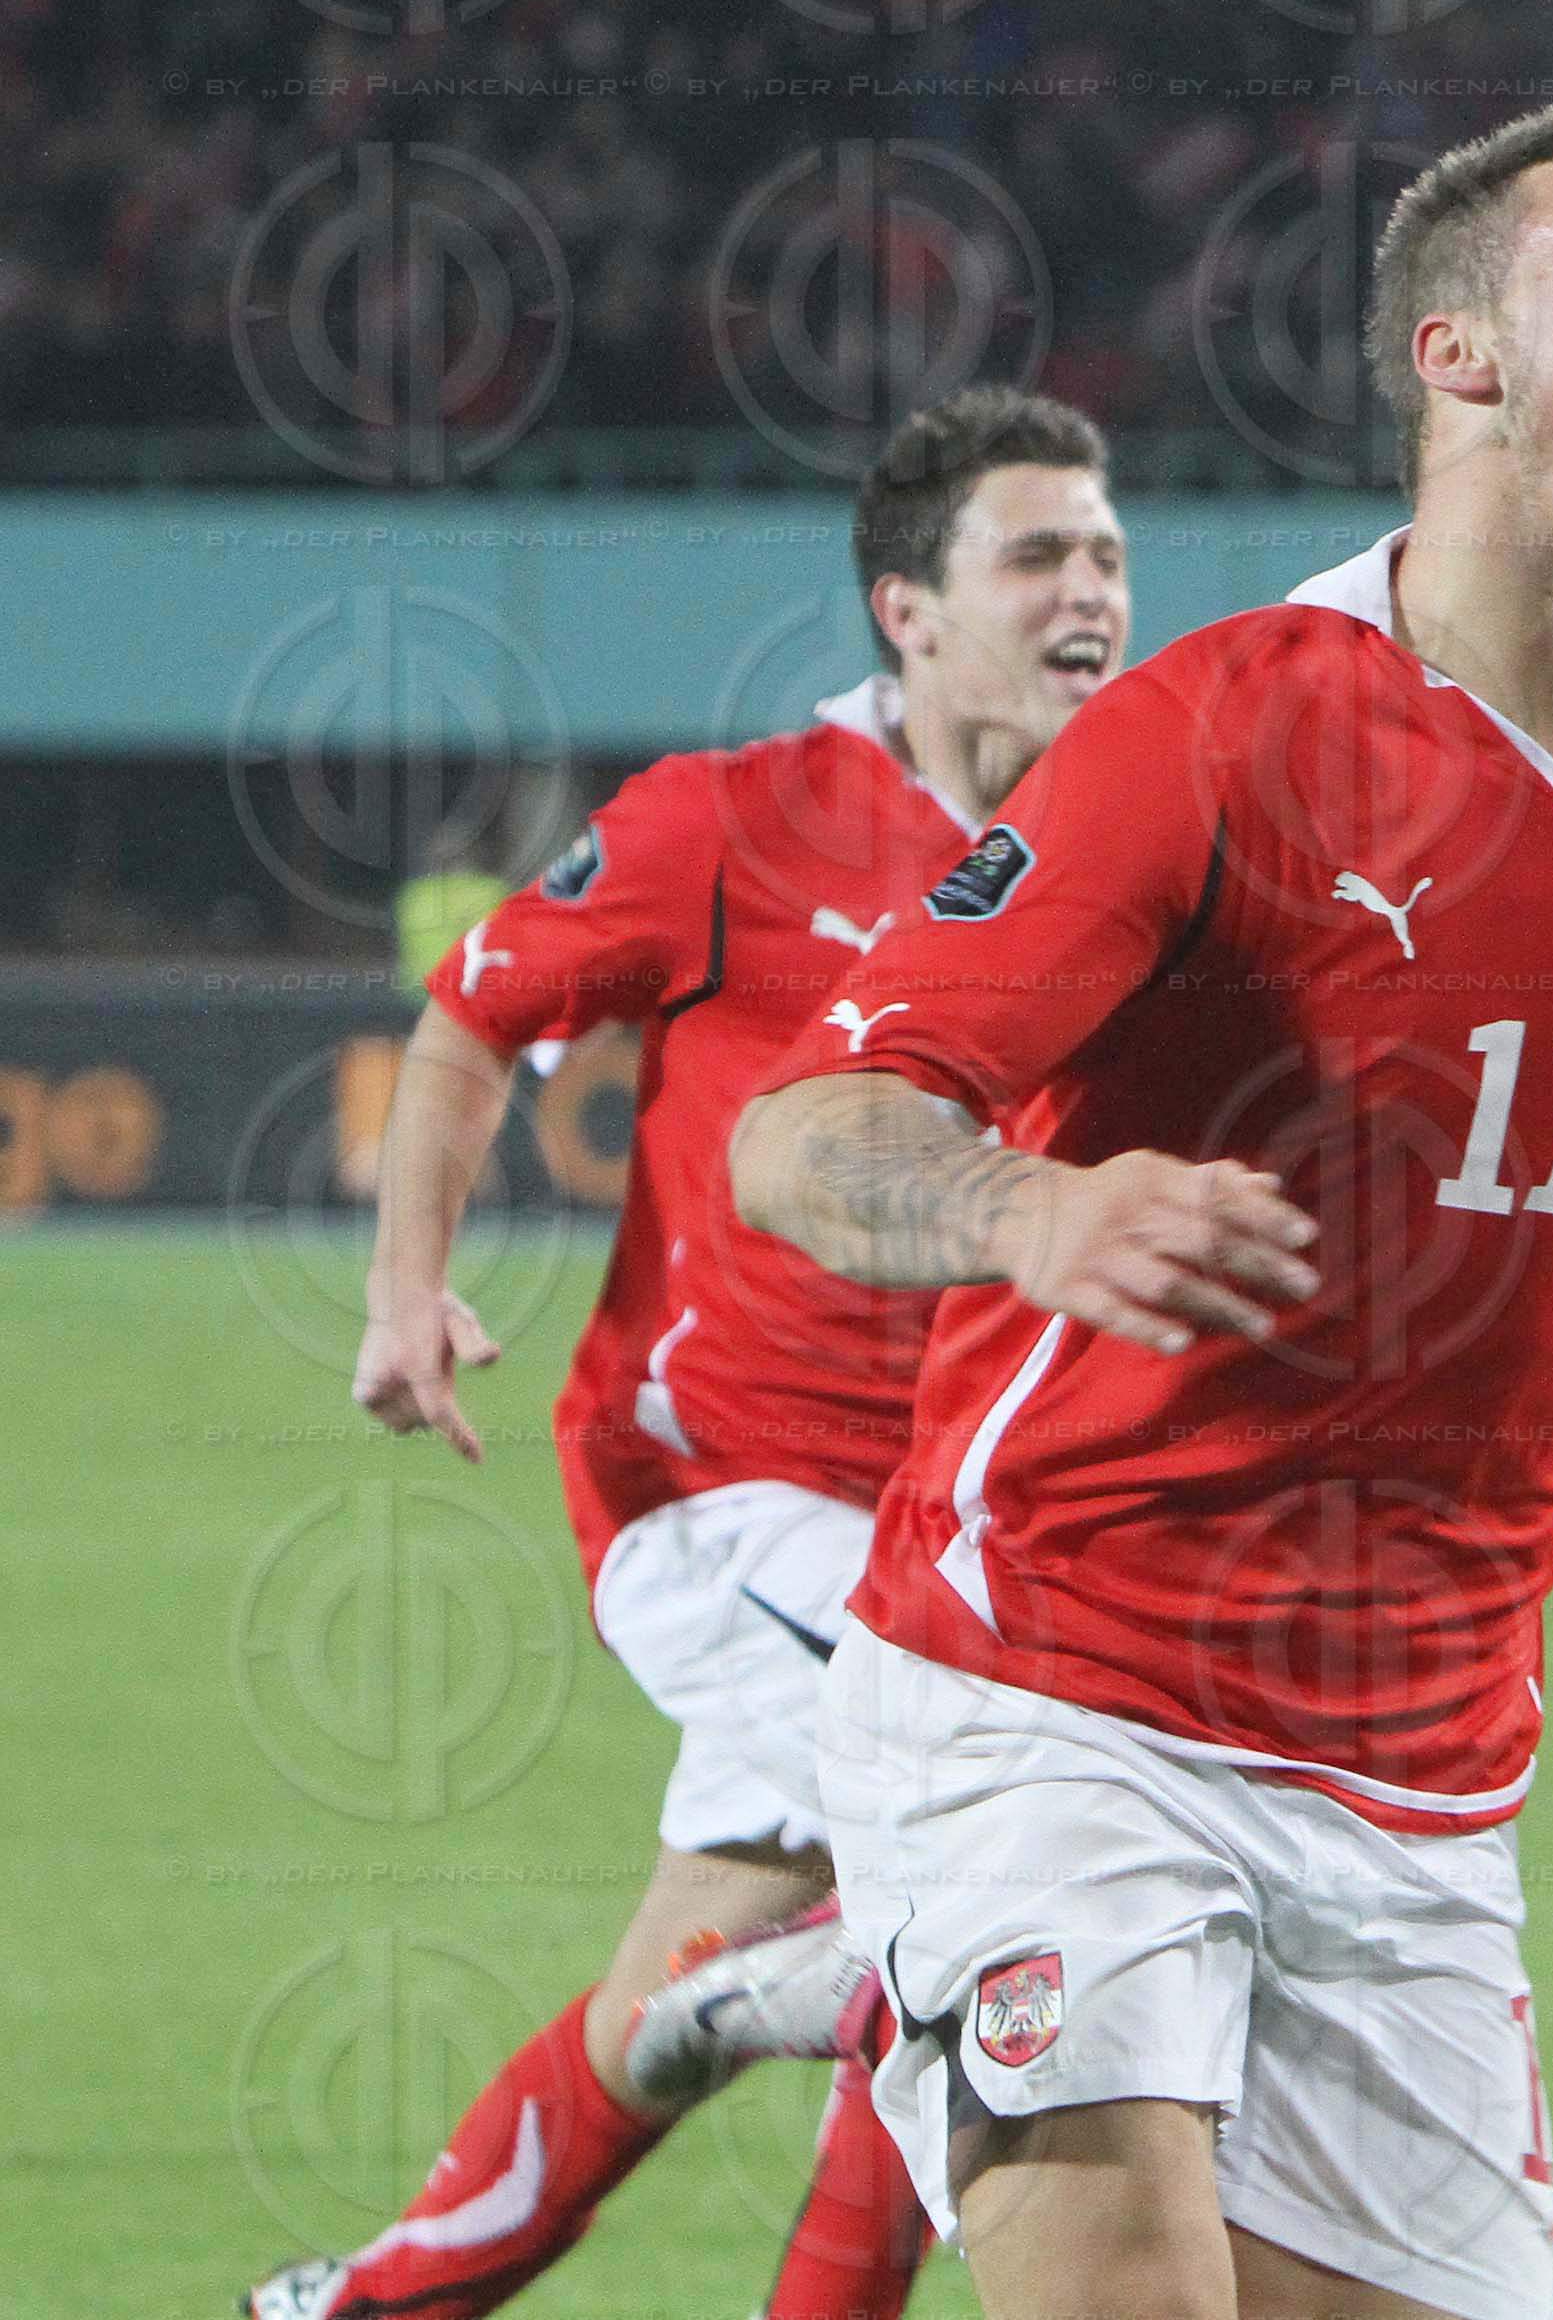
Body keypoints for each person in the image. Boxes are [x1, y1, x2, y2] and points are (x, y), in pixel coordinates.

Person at [727, 108, 1553, 2320]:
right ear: (1458, 357)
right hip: (1049, 1692)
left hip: (1422, 1779)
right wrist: (1021, 1208)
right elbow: (803, 1129)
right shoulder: (1222, 729)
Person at [241, 387, 1135, 2320]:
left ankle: (370, 2304)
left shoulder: (1116, 837)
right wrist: (407, 1289)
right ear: (908, 608)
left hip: (956, 1510)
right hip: (723, 1489)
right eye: (1040, 554)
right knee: (1005, 1858)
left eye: (1109, 554)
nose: (1094, 592)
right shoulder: (730, 821)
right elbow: (477, 1015)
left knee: (695, 1979)